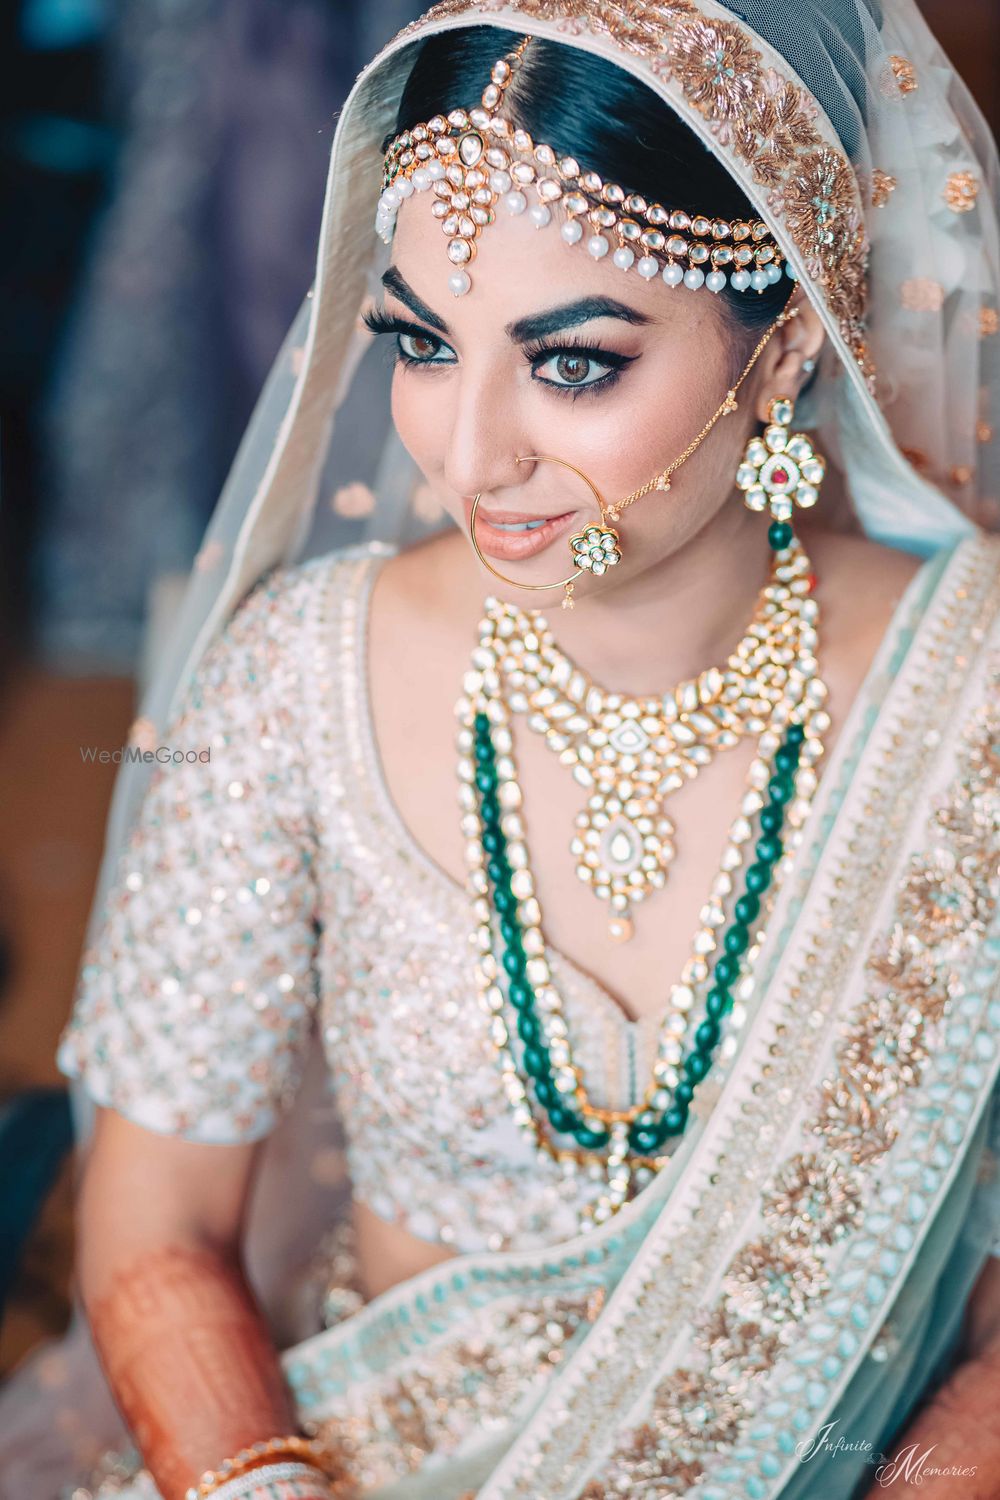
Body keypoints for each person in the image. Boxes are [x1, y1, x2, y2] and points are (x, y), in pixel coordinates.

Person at [2, 3, 999, 1498]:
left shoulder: (970, 697)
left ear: (781, 346)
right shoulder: (294, 677)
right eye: (418, 341)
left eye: (573, 363)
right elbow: (155, 1235)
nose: (467, 456)